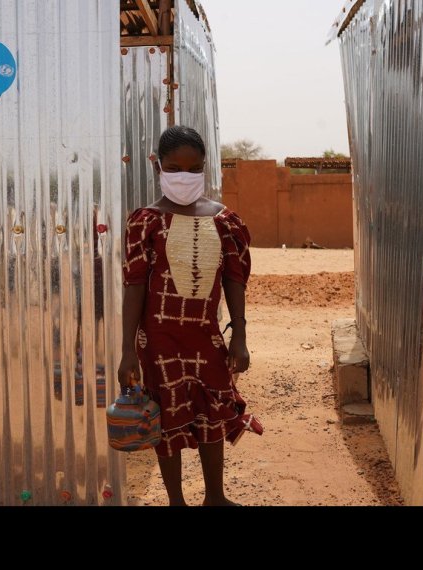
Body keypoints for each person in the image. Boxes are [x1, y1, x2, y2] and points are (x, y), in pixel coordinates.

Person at [118, 125, 264, 507]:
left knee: (212, 411)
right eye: (174, 168)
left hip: (205, 335)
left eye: (194, 169)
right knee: (166, 418)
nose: (184, 176)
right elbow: (134, 286)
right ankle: (177, 501)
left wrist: (240, 336)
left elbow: (234, 279)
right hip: (157, 339)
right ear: (159, 168)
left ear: (204, 168)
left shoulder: (224, 220)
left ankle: (215, 497)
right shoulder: (145, 221)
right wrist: (127, 350)